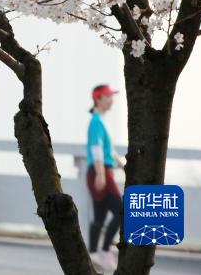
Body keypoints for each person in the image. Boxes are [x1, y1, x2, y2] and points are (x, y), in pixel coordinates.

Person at [86, 84, 124, 273]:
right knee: (122, 212)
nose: (112, 100)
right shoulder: (96, 122)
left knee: (100, 215)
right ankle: (105, 250)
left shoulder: (100, 121)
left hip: (101, 171)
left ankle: (94, 253)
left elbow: (108, 150)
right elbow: (96, 149)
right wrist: (101, 175)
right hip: (101, 172)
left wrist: (121, 163)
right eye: (108, 96)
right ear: (98, 99)